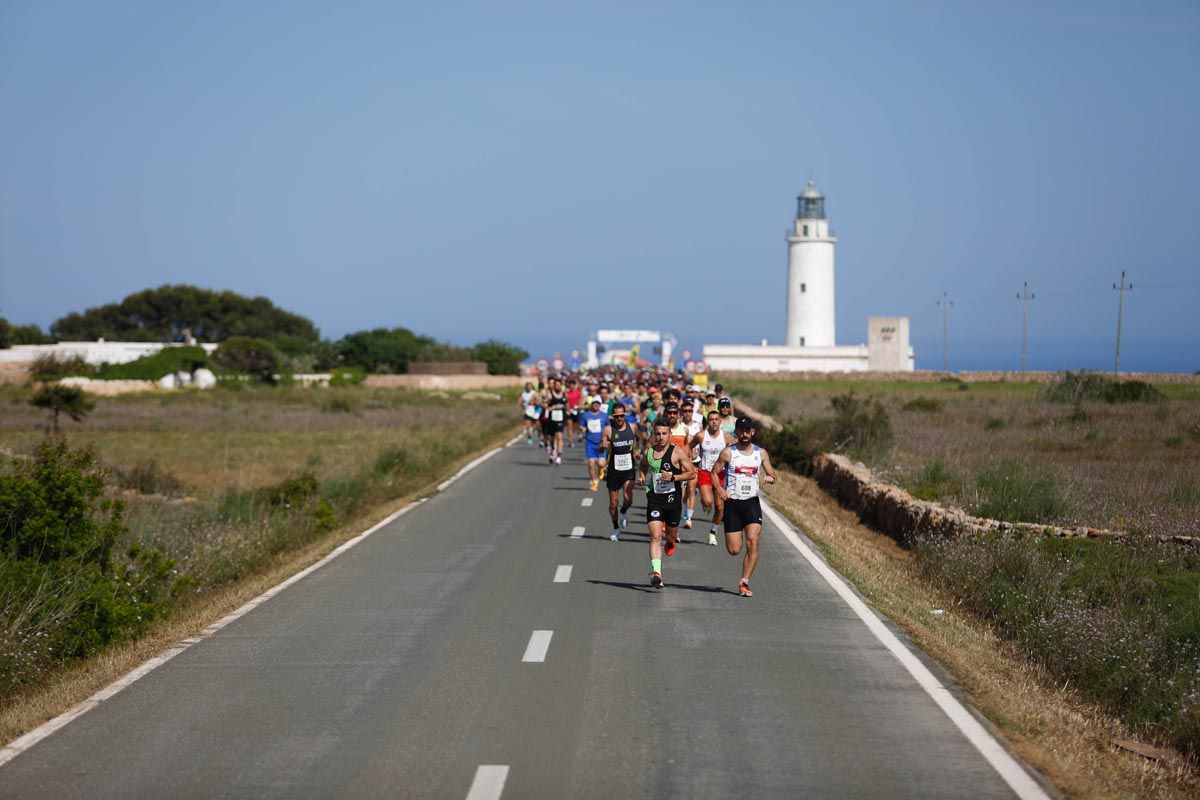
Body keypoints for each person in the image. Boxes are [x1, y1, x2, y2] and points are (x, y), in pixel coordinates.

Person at [711, 417, 777, 597]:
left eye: (748, 430)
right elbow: (714, 474)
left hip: (751, 503)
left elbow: (772, 473)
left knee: (753, 541)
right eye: (741, 430)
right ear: (736, 432)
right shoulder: (728, 453)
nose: (745, 434)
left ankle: (744, 582)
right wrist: (719, 489)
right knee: (734, 550)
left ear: (753, 432)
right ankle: (743, 578)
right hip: (732, 504)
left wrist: (770, 478)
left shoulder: (760, 453)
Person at [637, 418, 696, 588]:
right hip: (654, 499)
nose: (661, 437)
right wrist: (642, 477)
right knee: (655, 536)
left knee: (670, 536)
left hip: (673, 501)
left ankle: (670, 541)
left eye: (664, 433)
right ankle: (657, 573)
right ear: (654, 435)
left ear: (670, 435)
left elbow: (692, 473)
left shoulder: (677, 452)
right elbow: (642, 466)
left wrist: (674, 477)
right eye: (658, 434)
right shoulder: (649, 452)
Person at [690, 410, 734, 546]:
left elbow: (733, 454)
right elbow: (689, 446)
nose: (714, 422)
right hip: (705, 472)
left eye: (716, 419)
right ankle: (706, 504)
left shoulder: (726, 437)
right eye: (711, 419)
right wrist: (691, 457)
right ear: (707, 422)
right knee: (708, 502)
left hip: (720, 474)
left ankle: (713, 532)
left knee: (720, 508)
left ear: (720, 421)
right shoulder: (701, 436)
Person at [600, 402, 639, 541]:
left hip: (628, 468)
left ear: (624, 415)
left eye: (621, 416)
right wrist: (602, 446)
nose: (619, 419)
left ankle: (623, 512)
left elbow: (635, 443)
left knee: (629, 499)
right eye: (616, 416)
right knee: (613, 503)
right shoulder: (608, 430)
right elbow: (601, 448)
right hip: (613, 470)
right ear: (612, 416)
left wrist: (636, 453)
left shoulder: (632, 427)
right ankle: (616, 527)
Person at [579, 396, 610, 491]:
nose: (596, 405)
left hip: (601, 443)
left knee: (601, 463)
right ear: (591, 404)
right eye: (594, 403)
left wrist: (607, 439)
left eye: (598, 403)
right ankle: (594, 481)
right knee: (591, 463)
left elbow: (608, 426)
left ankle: (602, 469)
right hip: (590, 442)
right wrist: (583, 430)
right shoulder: (585, 415)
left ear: (600, 405)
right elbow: (581, 425)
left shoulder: (604, 415)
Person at [544, 378, 568, 465]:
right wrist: (551, 408)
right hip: (552, 419)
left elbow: (567, 406)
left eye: (559, 385)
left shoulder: (564, 395)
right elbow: (545, 406)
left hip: (561, 419)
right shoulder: (550, 395)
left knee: (559, 436)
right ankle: (553, 449)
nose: (557, 386)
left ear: (561, 385)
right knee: (552, 437)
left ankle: (559, 456)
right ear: (553, 385)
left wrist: (567, 409)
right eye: (556, 385)